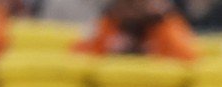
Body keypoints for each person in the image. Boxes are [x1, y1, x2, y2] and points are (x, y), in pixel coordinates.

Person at [74, 0, 202, 57]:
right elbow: (78, 57)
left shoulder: (167, 25)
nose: (131, 8)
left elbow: (190, 57)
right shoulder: (108, 24)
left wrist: (161, 23)